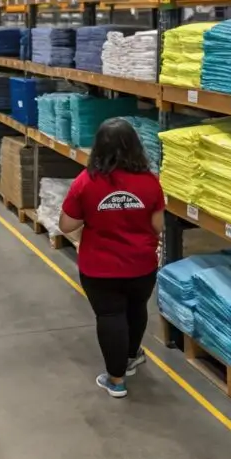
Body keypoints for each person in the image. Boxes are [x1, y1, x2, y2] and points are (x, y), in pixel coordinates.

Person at [58, 118, 165, 398]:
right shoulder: (150, 182)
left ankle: (116, 380)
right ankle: (131, 357)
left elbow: (66, 225)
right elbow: (158, 226)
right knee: (136, 308)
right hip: (141, 264)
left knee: (110, 315)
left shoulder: (86, 182)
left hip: (100, 267)